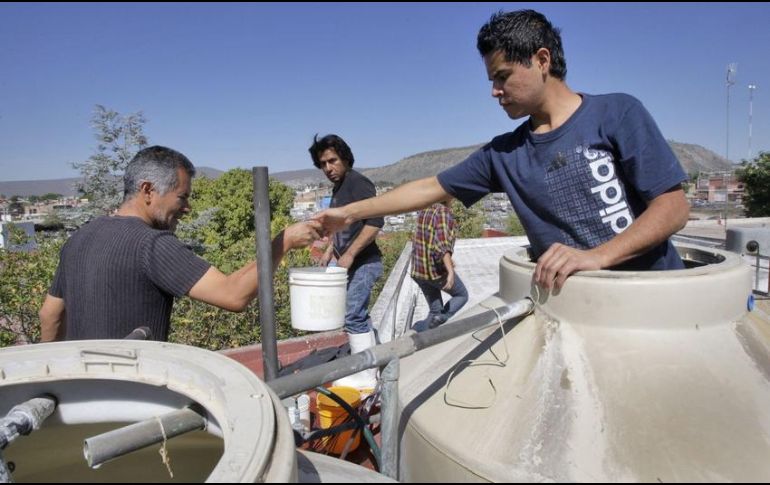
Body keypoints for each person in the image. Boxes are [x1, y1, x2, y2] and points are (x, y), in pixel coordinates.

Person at [314, 9, 689, 293]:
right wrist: (348, 213)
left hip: (654, 297)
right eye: (491, 80)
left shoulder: (616, 113)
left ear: (542, 61)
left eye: (503, 76)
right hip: (578, 310)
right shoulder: (505, 154)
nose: (494, 90)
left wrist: (596, 257)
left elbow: (673, 208)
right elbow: (430, 188)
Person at [39, 145, 321, 342]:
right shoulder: (152, 245)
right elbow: (234, 295)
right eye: (182, 197)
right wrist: (283, 242)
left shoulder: (79, 238)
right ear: (148, 190)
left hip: (83, 399)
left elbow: (50, 316)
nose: (186, 208)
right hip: (134, 399)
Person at [310, 134, 383, 391]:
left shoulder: (357, 183)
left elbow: (375, 223)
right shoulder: (339, 188)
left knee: (353, 314)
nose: (328, 168)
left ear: (345, 159)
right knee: (356, 314)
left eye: (333, 161)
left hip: (365, 262)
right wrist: (331, 249)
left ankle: (367, 375)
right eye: (323, 164)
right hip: (349, 263)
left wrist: (350, 254)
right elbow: (341, 226)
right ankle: (374, 361)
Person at [410, 198, 468, 332]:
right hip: (434, 272)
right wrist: (450, 271)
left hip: (419, 271)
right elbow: (442, 245)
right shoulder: (443, 212)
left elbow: (426, 240)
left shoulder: (424, 209)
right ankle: (441, 318)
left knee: (435, 310)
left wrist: (447, 259)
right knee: (461, 295)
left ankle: (420, 331)